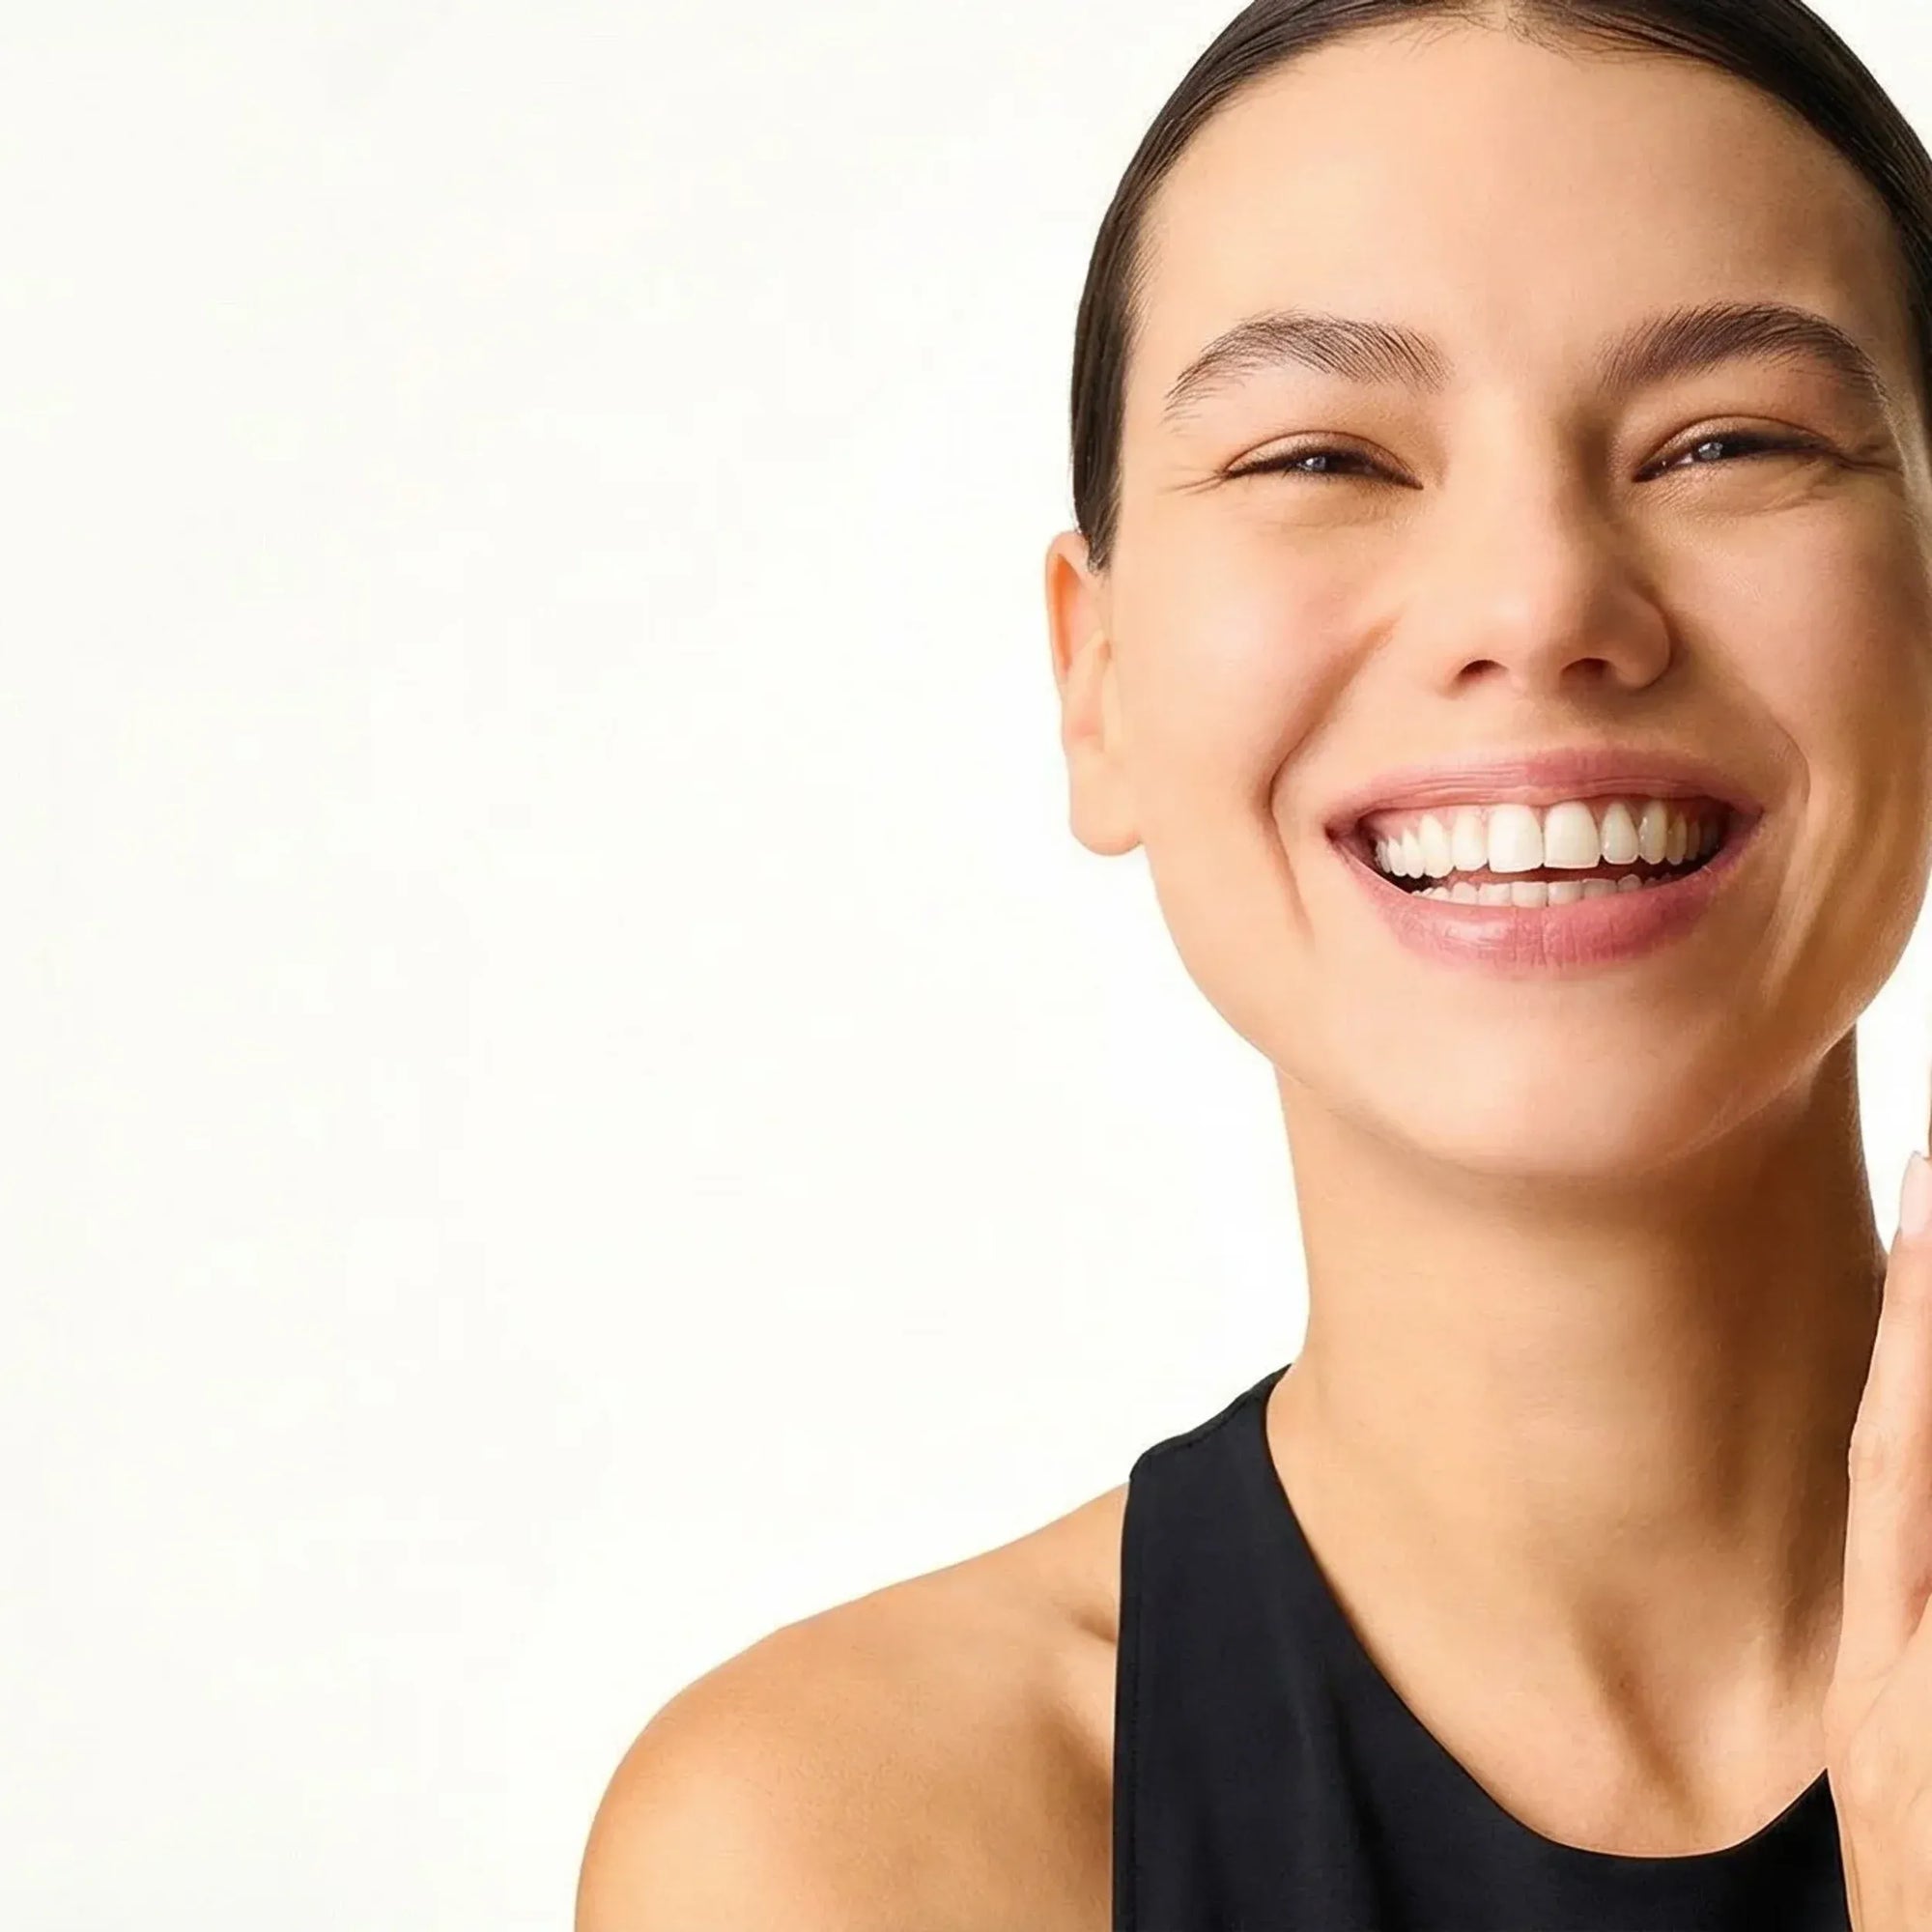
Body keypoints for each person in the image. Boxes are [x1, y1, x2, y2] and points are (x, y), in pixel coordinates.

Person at [578, 1, 1932, 1924]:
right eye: (1322, 457)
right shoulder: (850, 1839)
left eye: (1726, 440)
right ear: (1098, 681)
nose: (1538, 599)